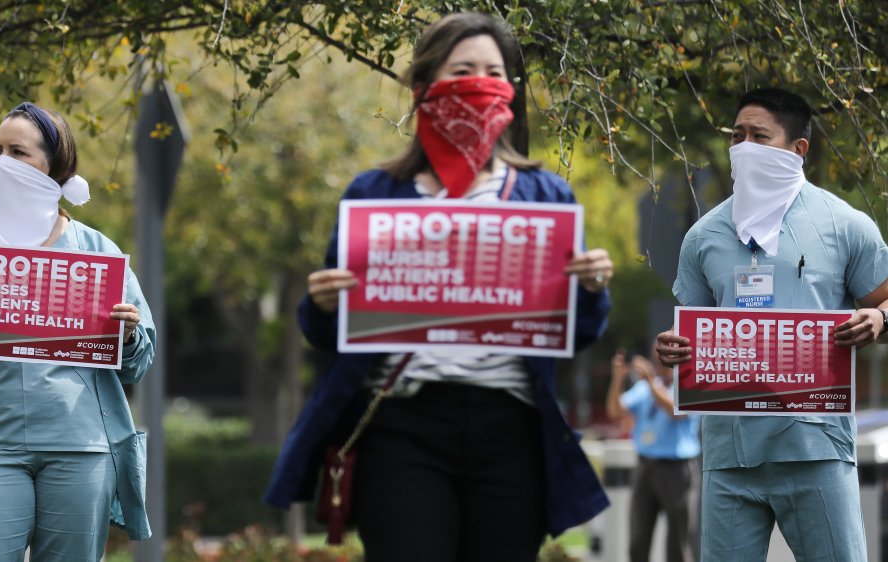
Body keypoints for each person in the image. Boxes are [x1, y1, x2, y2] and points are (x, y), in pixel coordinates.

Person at [264, 12, 614, 562]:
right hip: (402, 429)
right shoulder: (375, 193)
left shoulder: (546, 196)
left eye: (493, 72)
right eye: (463, 70)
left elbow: (578, 333)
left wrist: (591, 289)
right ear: (425, 87)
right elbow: (328, 333)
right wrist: (323, 301)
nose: (480, 83)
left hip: (512, 431)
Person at [0, 102, 156, 561]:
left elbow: (138, 363)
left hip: (81, 449)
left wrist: (130, 333)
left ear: (53, 166)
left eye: (18, 152)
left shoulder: (96, 251)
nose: (3, 162)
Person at [656, 87, 886, 561]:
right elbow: (692, 330)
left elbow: (886, 299)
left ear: (798, 149)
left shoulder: (844, 224)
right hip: (730, 458)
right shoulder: (703, 236)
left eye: (759, 137)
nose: (744, 147)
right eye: (736, 136)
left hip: (816, 448)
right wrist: (674, 349)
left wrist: (879, 317)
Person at [606, 350, 700, 562]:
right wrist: (618, 378)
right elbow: (615, 410)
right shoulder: (644, 388)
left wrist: (650, 381)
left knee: (678, 541)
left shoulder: (688, 385)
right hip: (646, 466)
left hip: (677, 469)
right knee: (638, 538)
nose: (660, 366)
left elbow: (676, 412)